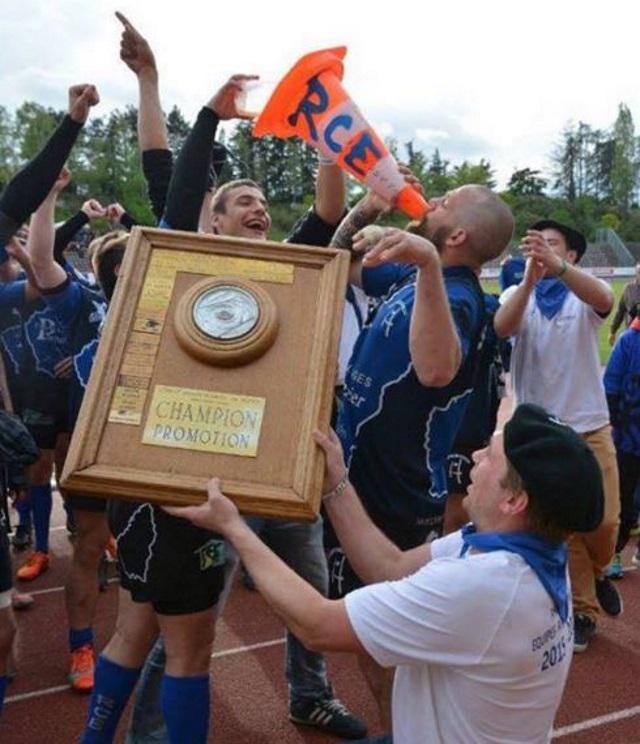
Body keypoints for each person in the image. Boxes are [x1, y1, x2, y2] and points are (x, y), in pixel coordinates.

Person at [166, 403, 604, 744]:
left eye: (490, 456)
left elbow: (316, 625)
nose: (473, 457)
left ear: (515, 501)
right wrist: (334, 480)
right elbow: (388, 567)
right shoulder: (530, 550)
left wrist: (233, 527)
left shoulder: (487, 587)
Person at [325, 183, 513, 733]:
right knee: (373, 639)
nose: (431, 200)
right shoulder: (412, 274)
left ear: (456, 236)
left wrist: (427, 263)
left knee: (386, 640)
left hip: (394, 493)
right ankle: (399, 728)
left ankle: (405, 731)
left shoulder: (460, 298)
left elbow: (436, 369)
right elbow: (337, 262)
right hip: (357, 473)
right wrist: (368, 206)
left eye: (447, 200)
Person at [494, 219, 621, 651]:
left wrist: (558, 271)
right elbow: (502, 328)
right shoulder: (518, 294)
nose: (542, 252)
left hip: (589, 425)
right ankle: (583, 611)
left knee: (605, 522)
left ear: (571, 257)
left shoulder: (581, 295)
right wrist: (529, 280)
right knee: (561, 526)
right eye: (537, 245)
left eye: (553, 246)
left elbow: (605, 299)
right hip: (540, 433)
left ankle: (602, 571)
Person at [603, 314, 640, 576]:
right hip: (630, 435)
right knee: (623, 498)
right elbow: (611, 386)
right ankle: (613, 552)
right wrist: (614, 419)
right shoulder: (629, 341)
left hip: (628, 433)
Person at [609, 262, 640, 346]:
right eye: (639, 272)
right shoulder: (628, 289)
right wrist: (613, 331)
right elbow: (620, 312)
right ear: (636, 274)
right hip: (631, 335)